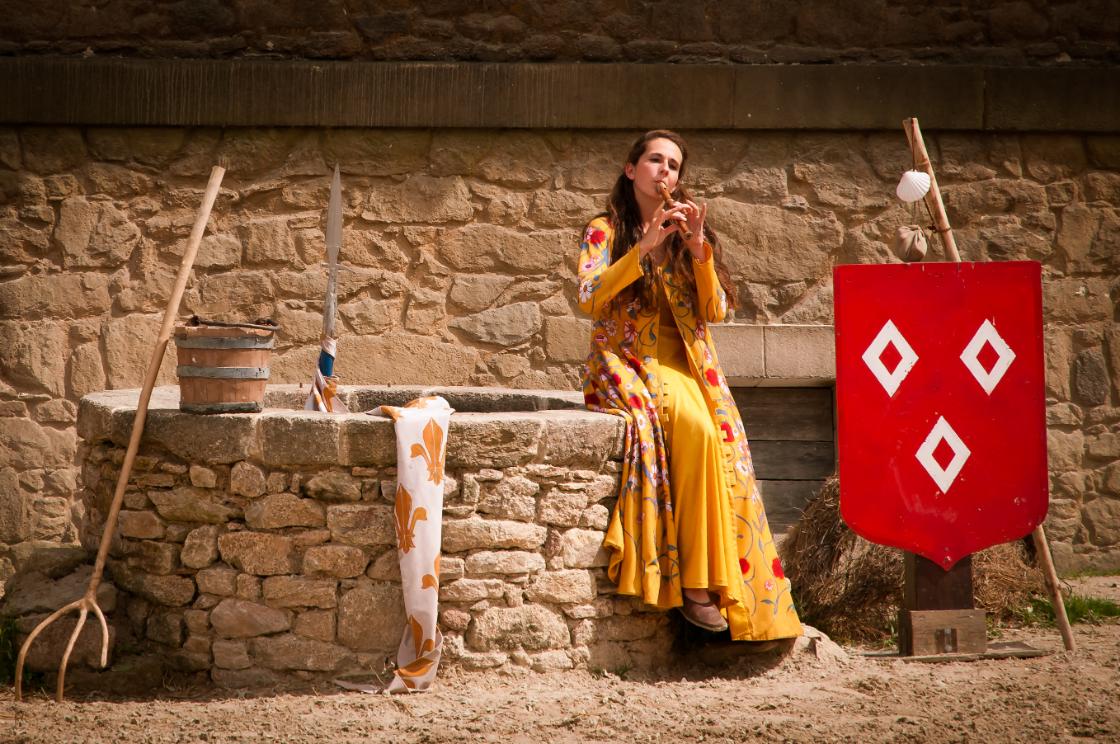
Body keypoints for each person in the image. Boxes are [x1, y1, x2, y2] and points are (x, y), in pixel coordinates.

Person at [577, 130, 802, 641]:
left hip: (691, 365)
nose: (665, 172)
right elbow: (589, 297)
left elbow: (714, 310)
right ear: (630, 169)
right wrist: (643, 248)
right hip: (627, 360)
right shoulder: (602, 229)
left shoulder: (688, 233)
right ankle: (697, 587)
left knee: (730, 450)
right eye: (654, 160)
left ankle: (735, 589)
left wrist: (698, 250)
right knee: (699, 432)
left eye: (674, 165)